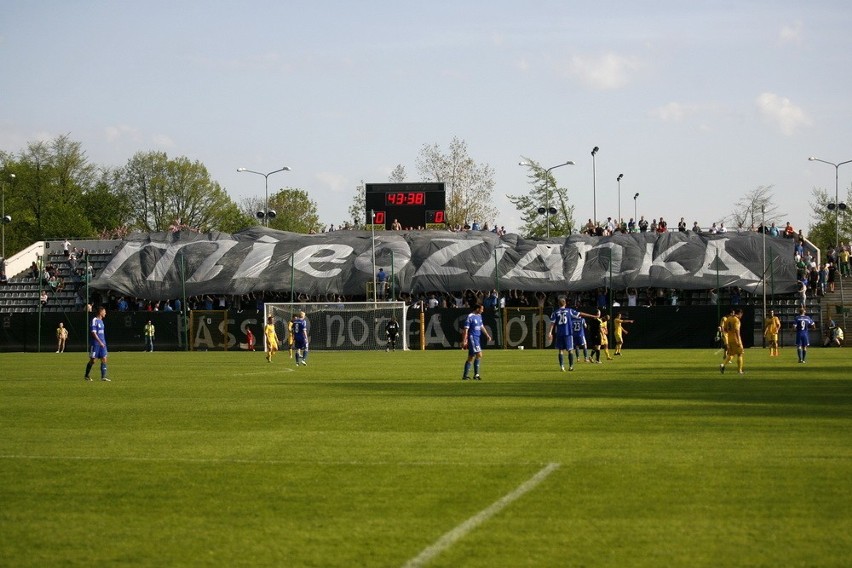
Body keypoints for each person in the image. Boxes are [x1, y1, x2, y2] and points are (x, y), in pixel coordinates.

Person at [548, 297, 595, 372]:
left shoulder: (555, 312)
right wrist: (593, 316)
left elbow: (552, 323)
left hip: (560, 333)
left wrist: (550, 332)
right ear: (565, 303)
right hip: (568, 333)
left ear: (558, 304)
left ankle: (562, 367)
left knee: (561, 350)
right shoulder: (569, 311)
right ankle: (571, 366)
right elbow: (581, 314)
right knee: (570, 350)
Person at [461, 303, 492, 380]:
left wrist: (487, 335)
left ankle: (465, 376)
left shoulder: (479, 316)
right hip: (472, 338)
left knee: (471, 357)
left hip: (477, 338)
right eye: (481, 309)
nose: (482, 311)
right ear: (477, 309)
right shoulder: (470, 316)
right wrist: (464, 340)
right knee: (479, 354)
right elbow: (466, 330)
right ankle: (476, 375)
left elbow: (481, 327)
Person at [84, 306, 110, 381]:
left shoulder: (102, 321)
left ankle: (103, 377)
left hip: (102, 343)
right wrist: (99, 342)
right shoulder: (94, 320)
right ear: (100, 312)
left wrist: (103, 342)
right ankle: (86, 375)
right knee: (93, 361)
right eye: (104, 311)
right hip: (95, 344)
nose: (105, 313)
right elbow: (93, 333)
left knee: (104, 359)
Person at [720, 309, 745, 375]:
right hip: (736, 339)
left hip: (729, 339)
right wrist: (738, 341)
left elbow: (725, 329)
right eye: (741, 315)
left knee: (731, 354)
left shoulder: (728, 318)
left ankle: (723, 365)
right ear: (739, 313)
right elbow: (737, 331)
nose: (741, 316)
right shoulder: (737, 320)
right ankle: (739, 371)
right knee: (740, 354)